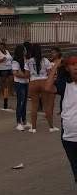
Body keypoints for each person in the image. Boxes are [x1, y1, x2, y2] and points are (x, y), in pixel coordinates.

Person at [46, 56, 77, 184]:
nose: (76, 67)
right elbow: (48, 87)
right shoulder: (64, 85)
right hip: (69, 137)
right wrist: (55, 67)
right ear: (67, 68)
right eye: (73, 64)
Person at [26, 43, 58, 133]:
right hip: (44, 82)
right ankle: (51, 127)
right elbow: (49, 73)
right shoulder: (45, 60)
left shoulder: (28, 61)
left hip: (33, 82)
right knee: (46, 106)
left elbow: (27, 74)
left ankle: (33, 128)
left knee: (34, 106)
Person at [12, 44, 30, 131]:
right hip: (19, 83)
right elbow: (15, 73)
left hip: (25, 83)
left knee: (25, 102)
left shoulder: (25, 59)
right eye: (24, 50)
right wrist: (25, 76)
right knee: (20, 102)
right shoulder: (15, 61)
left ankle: (25, 121)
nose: (25, 51)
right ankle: (18, 122)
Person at [0, 40, 13, 110]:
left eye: (3, 46)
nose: (2, 47)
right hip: (2, 68)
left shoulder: (7, 51)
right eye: (1, 46)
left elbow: (10, 58)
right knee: (3, 80)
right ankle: (3, 92)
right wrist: (1, 60)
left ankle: (9, 91)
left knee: (11, 79)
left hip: (9, 67)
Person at [50, 46, 68, 113]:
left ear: (58, 53)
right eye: (51, 53)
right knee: (52, 96)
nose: (52, 54)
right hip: (53, 81)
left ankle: (62, 110)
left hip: (61, 81)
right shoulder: (51, 61)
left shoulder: (62, 61)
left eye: (54, 53)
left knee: (63, 97)